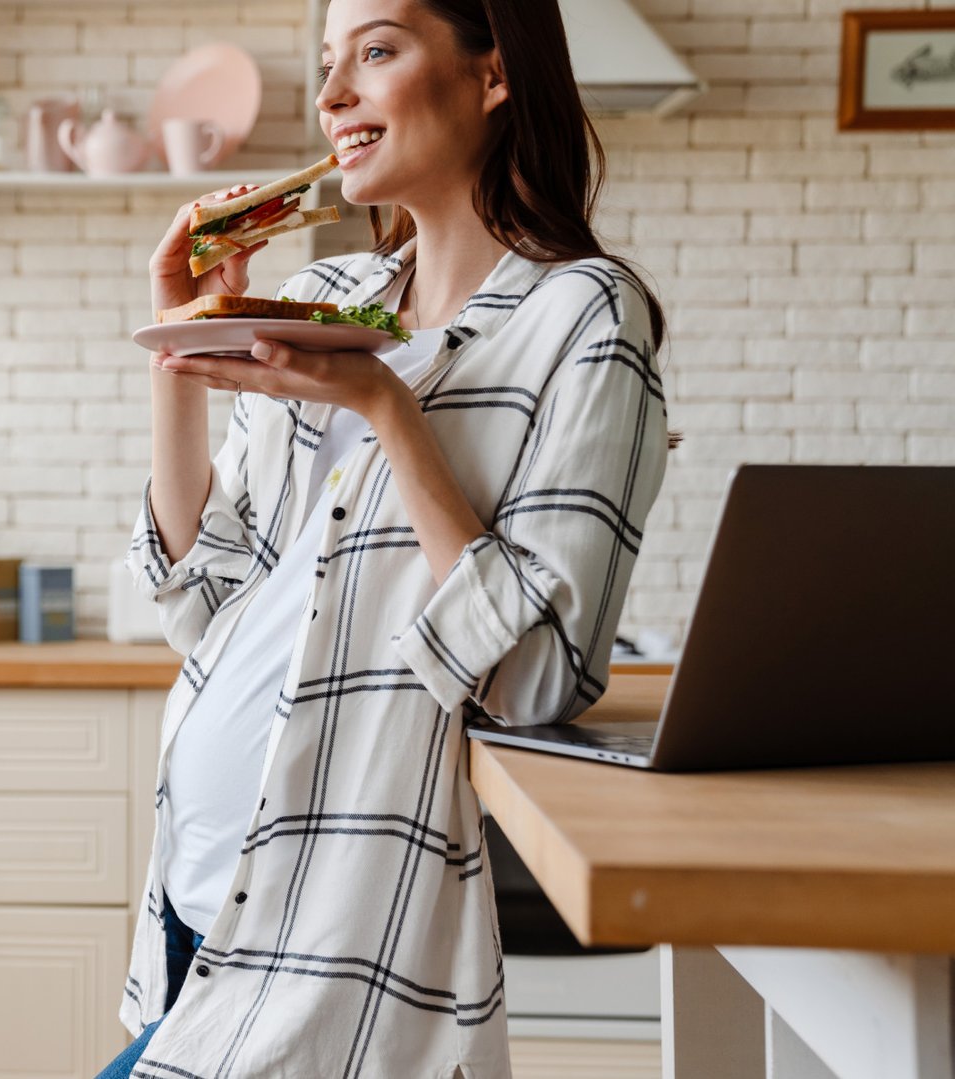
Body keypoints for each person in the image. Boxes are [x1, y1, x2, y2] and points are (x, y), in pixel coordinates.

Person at [102, 0, 681, 1076]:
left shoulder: (585, 318)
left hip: (334, 930)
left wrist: (389, 409)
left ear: (493, 74)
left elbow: (534, 677)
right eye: (328, 65)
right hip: (194, 894)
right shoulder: (327, 298)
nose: (330, 100)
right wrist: (172, 339)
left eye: (375, 52)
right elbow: (200, 600)